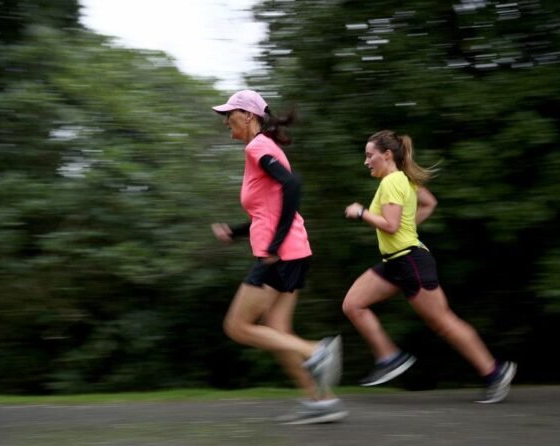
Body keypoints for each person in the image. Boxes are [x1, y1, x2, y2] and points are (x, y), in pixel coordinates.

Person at [342, 130, 516, 403]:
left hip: (409, 260)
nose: (366, 161)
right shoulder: (404, 181)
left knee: (444, 322)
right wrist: (408, 227)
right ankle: (389, 357)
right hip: (394, 261)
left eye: (369, 155)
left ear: (386, 155)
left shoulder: (391, 182)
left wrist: (361, 212)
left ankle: (494, 372)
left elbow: (391, 225)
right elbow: (429, 203)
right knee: (353, 304)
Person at [210, 90, 347, 423]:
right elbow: (267, 208)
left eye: (231, 114)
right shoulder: (263, 148)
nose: (226, 120)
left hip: (280, 254)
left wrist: (275, 244)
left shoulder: (258, 147)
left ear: (250, 116)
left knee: (238, 327)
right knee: (277, 330)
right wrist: (236, 231)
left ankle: (316, 351)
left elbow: (293, 185)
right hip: (294, 252)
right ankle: (320, 401)